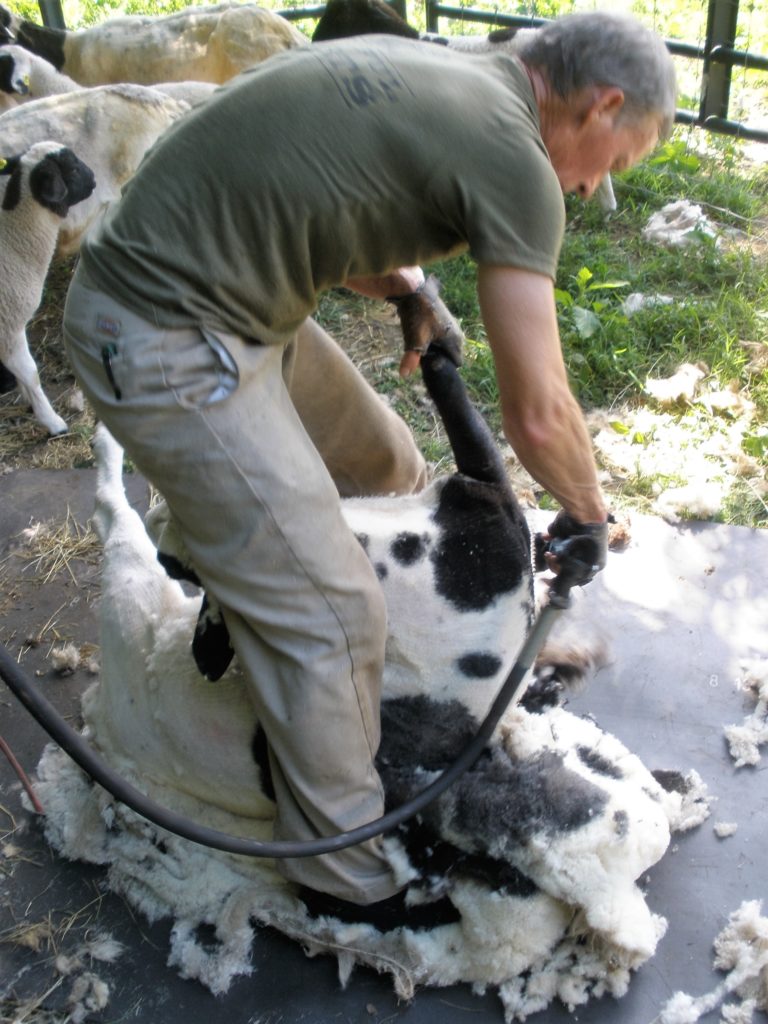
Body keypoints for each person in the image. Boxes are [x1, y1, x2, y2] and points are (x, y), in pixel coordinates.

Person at [62, 10, 676, 926]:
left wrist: (410, 287)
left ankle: (260, 573)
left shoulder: (459, 71)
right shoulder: (517, 154)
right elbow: (539, 414)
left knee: (384, 462)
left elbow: (319, 182)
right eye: (614, 166)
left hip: (219, 296)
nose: (593, 189)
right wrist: (587, 513)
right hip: (160, 333)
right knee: (333, 614)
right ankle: (344, 876)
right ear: (603, 106)